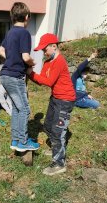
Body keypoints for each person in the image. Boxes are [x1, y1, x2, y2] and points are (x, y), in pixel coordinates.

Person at [28, 33, 76, 176]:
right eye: (42, 50)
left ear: (54, 46)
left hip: (66, 100)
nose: (43, 52)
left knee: (57, 131)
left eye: (45, 49)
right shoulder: (48, 61)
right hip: (55, 98)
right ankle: (56, 148)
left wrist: (31, 73)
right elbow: (42, 79)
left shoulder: (59, 61)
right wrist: (30, 74)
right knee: (48, 126)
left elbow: (48, 82)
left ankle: (59, 163)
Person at [0, 2, 40, 152]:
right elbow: (25, 56)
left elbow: (1, 51)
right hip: (15, 77)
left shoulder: (10, 32)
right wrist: (32, 62)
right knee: (24, 110)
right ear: (27, 17)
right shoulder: (24, 33)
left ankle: (15, 140)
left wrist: (11, 58)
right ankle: (23, 142)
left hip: (4, 75)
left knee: (17, 108)